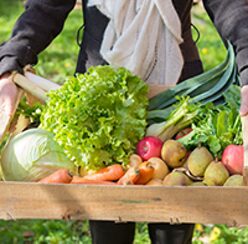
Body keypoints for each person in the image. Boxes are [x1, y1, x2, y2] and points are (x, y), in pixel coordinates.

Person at [0, 1, 248, 244]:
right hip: (100, 94)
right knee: (108, 219)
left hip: (176, 87)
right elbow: (47, 4)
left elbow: (230, 5)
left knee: (174, 218)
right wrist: (11, 60)